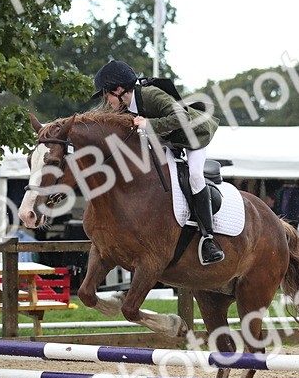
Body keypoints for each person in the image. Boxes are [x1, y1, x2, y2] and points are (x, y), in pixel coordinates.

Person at [93, 59, 225, 265]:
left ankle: (208, 239)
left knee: (195, 177)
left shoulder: (150, 95)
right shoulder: (126, 108)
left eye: (107, 95)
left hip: (194, 136)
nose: (107, 101)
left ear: (118, 90)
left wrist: (148, 124)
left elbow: (181, 118)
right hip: (170, 141)